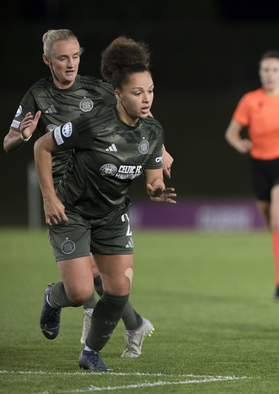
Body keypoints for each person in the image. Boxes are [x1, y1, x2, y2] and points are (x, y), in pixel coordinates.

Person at [4, 29, 173, 357]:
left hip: (97, 185)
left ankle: (118, 322)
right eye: (63, 58)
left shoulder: (98, 89)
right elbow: (10, 142)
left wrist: (160, 150)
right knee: (89, 278)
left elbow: (140, 110)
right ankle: (119, 320)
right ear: (47, 60)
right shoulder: (36, 95)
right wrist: (22, 136)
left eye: (76, 56)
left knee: (102, 275)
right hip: (64, 194)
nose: (71, 64)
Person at [225, 50, 279, 302]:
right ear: (260, 74)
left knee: (277, 220)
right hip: (258, 165)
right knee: (271, 225)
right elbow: (231, 132)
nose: (270, 74)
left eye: (275, 69)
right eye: (265, 70)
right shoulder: (250, 100)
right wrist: (238, 143)